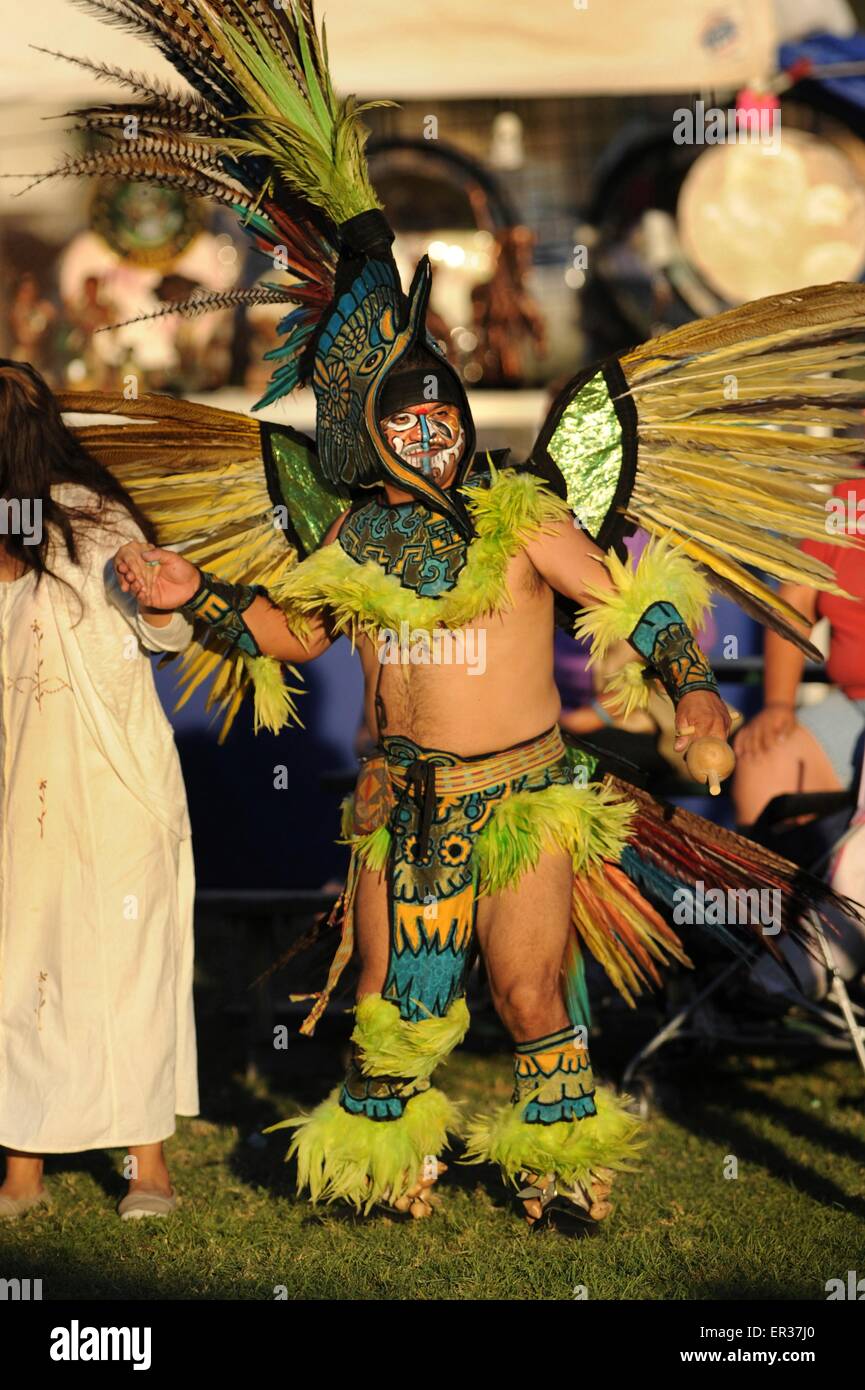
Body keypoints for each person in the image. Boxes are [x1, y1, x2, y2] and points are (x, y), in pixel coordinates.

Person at [39, 0, 865, 1230]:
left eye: (437, 414)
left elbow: (628, 598)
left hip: (525, 798)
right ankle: (386, 1171)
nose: (423, 432)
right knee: (396, 1001)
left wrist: (690, 683)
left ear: (459, 420)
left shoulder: (524, 514)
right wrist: (195, 593)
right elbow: (293, 635)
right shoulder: (346, 533)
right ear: (365, 433)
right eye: (399, 419)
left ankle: (557, 1170)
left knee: (533, 996)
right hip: (400, 800)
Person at [0, 361, 198, 1222]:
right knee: (17, 966)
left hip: (114, 781)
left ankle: (148, 1167)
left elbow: (161, 629)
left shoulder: (91, 517)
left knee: (127, 964)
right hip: (18, 787)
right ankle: (22, 1171)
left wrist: (165, 606)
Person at [733, 476, 865, 826]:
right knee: (764, 758)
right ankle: (787, 880)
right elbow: (796, 604)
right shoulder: (846, 501)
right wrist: (778, 705)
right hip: (854, 710)